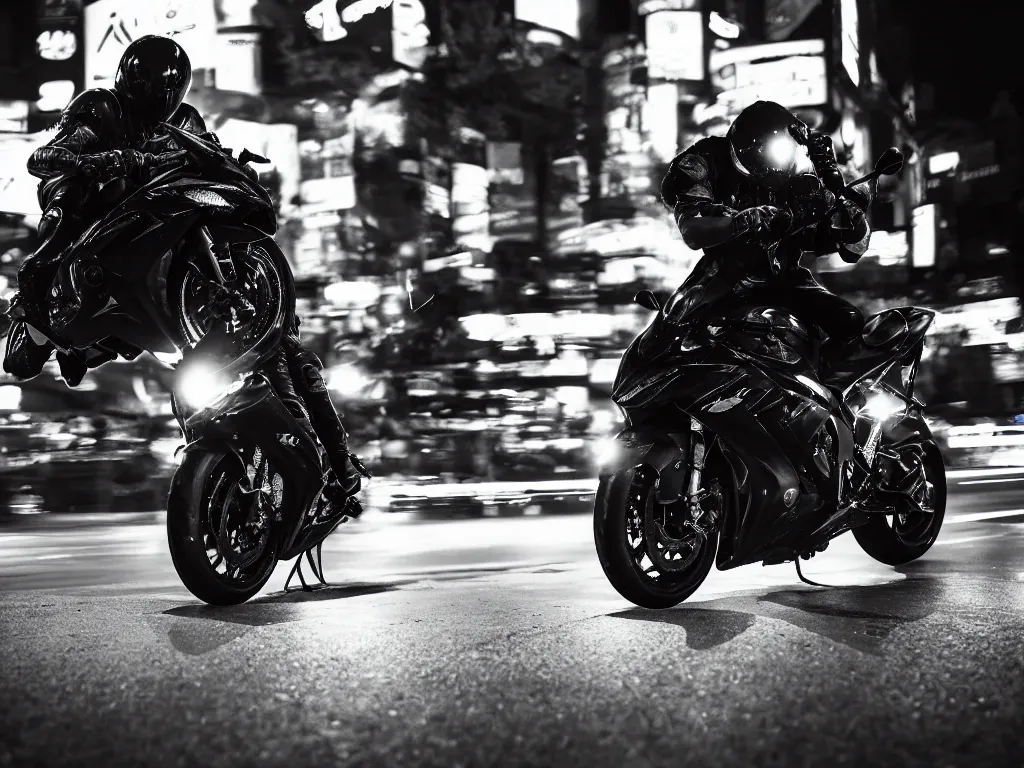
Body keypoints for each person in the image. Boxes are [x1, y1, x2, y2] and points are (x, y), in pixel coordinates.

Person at [3, 35, 363, 501]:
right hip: (99, 220)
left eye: (167, 87)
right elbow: (47, 155)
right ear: (128, 80)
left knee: (294, 356)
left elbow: (211, 155)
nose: (158, 96)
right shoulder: (101, 109)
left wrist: (242, 173)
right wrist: (92, 160)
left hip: (165, 239)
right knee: (64, 198)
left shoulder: (186, 123)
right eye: (148, 84)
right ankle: (36, 300)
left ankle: (336, 463)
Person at [659, 100, 874, 361]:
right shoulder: (706, 160)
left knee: (849, 323)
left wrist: (853, 217)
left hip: (786, 279)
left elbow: (849, 248)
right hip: (722, 279)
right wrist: (743, 222)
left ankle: (831, 396)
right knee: (670, 337)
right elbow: (691, 229)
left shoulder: (803, 174)